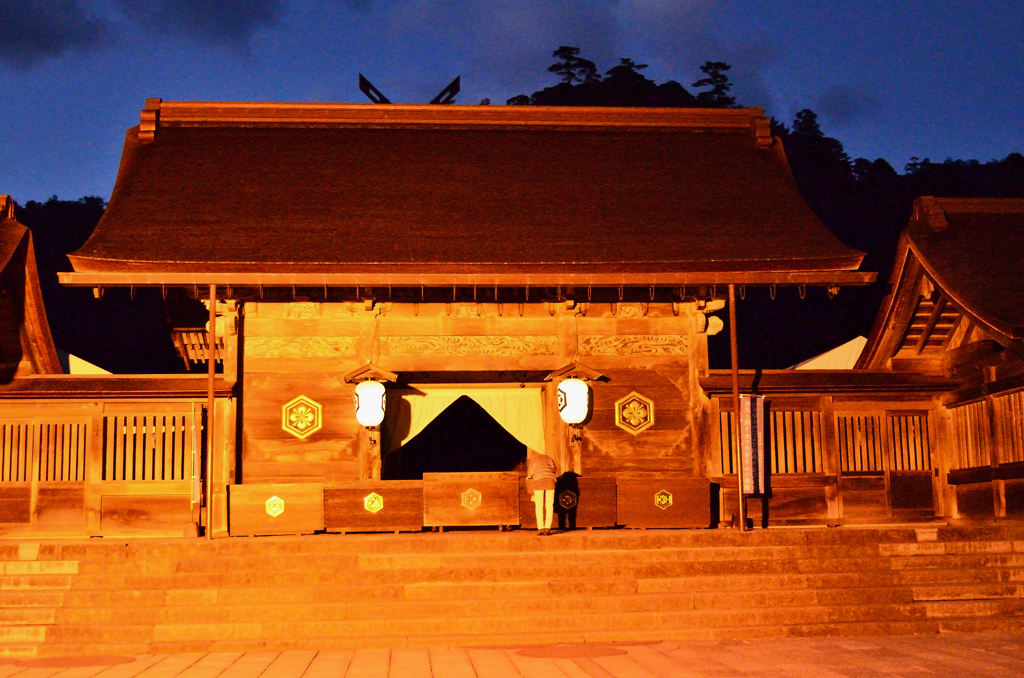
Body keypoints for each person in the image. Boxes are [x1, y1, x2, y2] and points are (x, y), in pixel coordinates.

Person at [526, 451, 557, 535]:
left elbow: (530, 473)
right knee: (549, 505)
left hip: (538, 481)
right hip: (550, 481)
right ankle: (547, 528)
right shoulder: (548, 458)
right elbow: (554, 469)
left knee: (539, 505)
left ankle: (540, 528)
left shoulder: (532, 460)